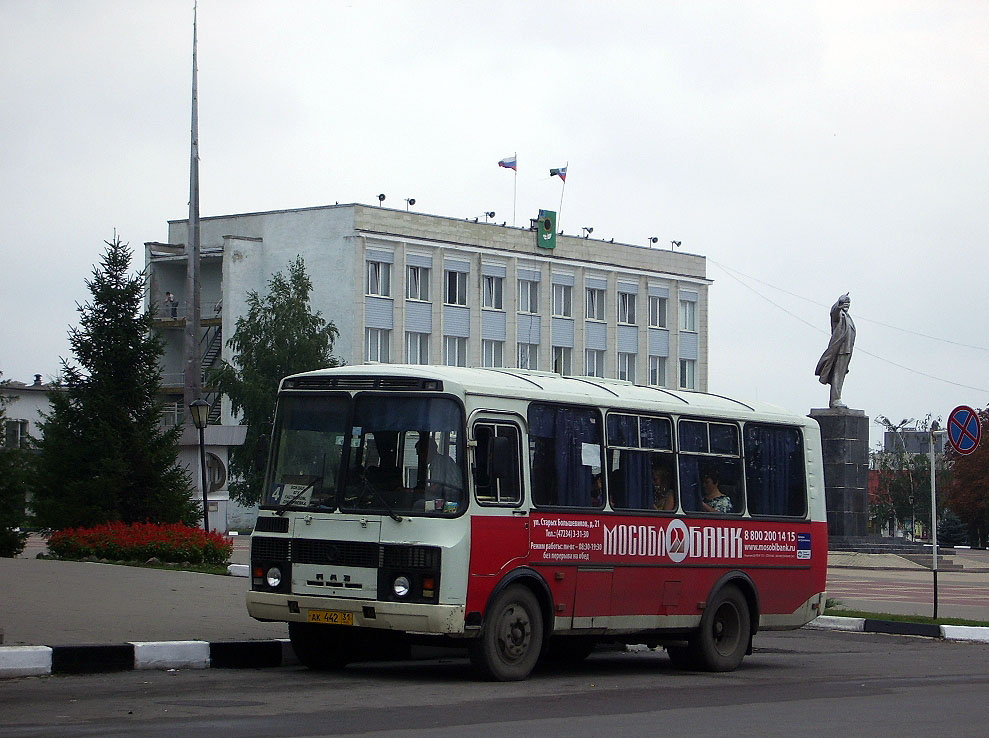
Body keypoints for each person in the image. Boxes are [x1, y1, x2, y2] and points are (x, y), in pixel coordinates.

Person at [815, 293, 856, 409]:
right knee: (837, 376)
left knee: (840, 376)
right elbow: (834, 312)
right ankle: (835, 400)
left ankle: (836, 399)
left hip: (847, 350)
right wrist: (839, 302)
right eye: (845, 302)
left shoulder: (848, 317)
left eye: (849, 303)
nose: (847, 304)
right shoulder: (839, 315)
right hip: (840, 350)